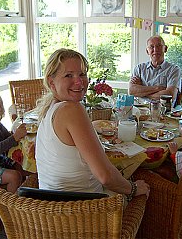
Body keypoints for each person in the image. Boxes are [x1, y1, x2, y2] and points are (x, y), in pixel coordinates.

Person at [35, 48, 150, 201]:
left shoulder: (49, 108)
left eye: (82, 74)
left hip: (51, 210)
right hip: (85, 213)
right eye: (68, 75)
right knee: (146, 184)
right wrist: (134, 189)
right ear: (52, 82)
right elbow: (105, 176)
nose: (79, 81)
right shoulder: (72, 109)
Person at [129, 35, 182, 104]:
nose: (155, 50)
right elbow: (131, 91)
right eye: (151, 47)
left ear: (165, 49)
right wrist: (157, 88)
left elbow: (170, 94)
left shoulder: (174, 70)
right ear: (147, 51)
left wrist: (142, 92)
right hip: (141, 111)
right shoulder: (139, 68)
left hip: (164, 112)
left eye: (159, 46)